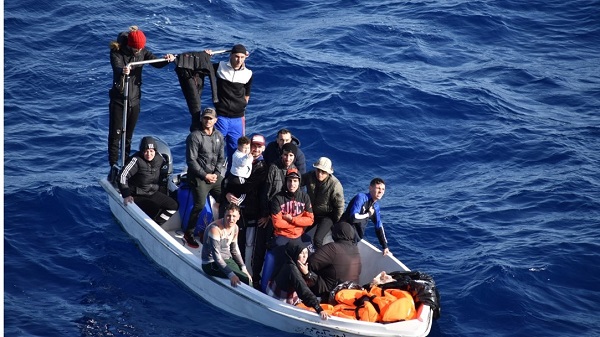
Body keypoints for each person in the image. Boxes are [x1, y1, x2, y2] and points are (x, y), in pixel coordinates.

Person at [108, 26, 175, 168]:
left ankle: (125, 164)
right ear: (130, 45)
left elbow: (155, 62)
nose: (139, 51)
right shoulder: (117, 52)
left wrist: (166, 59)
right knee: (116, 135)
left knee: (128, 136)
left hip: (135, 99)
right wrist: (123, 70)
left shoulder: (142, 51)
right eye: (136, 49)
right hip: (119, 99)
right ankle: (113, 166)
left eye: (140, 49)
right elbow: (117, 66)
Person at [220, 134, 269, 262]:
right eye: (254, 146)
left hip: (251, 210)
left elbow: (249, 186)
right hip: (236, 207)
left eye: (259, 147)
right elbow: (227, 178)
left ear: (263, 148)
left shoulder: (262, 166)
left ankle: (244, 270)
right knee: (233, 237)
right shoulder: (239, 158)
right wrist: (226, 193)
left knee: (247, 243)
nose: (256, 149)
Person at [205, 45, 253, 168]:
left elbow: (247, 93)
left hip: (238, 119)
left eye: (242, 57)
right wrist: (206, 57)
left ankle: (230, 180)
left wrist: (241, 105)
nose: (239, 60)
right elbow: (203, 68)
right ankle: (211, 176)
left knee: (236, 151)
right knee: (214, 149)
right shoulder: (220, 67)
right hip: (221, 117)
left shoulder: (248, 73)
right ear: (231, 55)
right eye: (236, 56)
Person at [183, 108, 225, 248]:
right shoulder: (194, 137)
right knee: (199, 205)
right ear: (202, 119)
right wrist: (205, 175)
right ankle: (188, 234)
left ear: (215, 120)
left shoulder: (219, 136)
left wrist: (216, 174)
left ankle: (215, 230)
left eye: (211, 118)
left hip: (214, 176)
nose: (208, 121)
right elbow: (191, 161)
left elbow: (221, 158)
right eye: (205, 118)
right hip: (198, 177)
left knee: (225, 200)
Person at [118, 136, 178, 225]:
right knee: (153, 208)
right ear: (142, 151)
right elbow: (122, 176)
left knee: (173, 206)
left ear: (155, 151)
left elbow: (164, 173)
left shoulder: (159, 159)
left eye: (151, 151)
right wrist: (126, 195)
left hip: (152, 192)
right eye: (146, 151)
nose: (149, 154)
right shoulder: (136, 160)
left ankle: (157, 224)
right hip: (136, 194)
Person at [266, 240, 329, 320]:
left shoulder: (292, 258)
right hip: (280, 298)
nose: (304, 256)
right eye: (301, 253)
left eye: (306, 253)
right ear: (295, 253)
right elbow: (303, 289)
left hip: (276, 288)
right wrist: (318, 308)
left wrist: (306, 273)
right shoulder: (291, 268)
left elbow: (315, 281)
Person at [307, 221, 361, 301]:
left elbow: (310, 263)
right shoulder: (355, 250)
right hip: (350, 292)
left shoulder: (332, 248)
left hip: (330, 292)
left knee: (301, 268)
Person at [201, 204, 252, 287]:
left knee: (247, 278)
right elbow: (216, 257)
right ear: (224, 215)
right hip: (211, 263)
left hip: (227, 259)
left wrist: (243, 268)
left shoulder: (235, 228)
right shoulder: (215, 229)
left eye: (234, 216)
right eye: (228, 216)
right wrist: (231, 275)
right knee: (244, 280)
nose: (231, 219)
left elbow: (234, 249)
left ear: (238, 217)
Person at [302, 157, 345, 248]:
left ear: (328, 173)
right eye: (318, 170)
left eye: (323, 172)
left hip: (327, 216)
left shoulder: (335, 185)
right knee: (298, 231)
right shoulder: (310, 176)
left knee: (317, 239)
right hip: (311, 212)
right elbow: (297, 182)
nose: (320, 174)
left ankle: (319, 260)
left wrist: (336, 224)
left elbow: (340, 207)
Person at [341, 177, 390, 255]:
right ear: (370, 188)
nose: (381, 191)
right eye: (378, 188)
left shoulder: (375, 206)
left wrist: (385, 246)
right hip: (343, 233)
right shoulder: (361, 197)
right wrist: (368, 214)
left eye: (383, 189)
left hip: (354, 238)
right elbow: (353, 217)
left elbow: (378, 226)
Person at [270, 168, 314, 248]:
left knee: (311, 251)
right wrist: (298, 224)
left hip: (299, 234)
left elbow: (310, 220)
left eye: (295, 181)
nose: (292, 184)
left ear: (299, 182)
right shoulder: (277, 198)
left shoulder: (305, 197)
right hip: (282, 235)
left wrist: (292, 220)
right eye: (289, 180)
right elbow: (277, 223)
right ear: (285, 182)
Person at [225, 135, 253, 204]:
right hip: (238, 177)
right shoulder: (237, 155)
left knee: (236, 192)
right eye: (244, 148)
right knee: (244, 193)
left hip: (236, 177)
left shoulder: (245, 154)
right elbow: (242, 163)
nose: (246, 150)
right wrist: (247, 157)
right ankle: (237, 204)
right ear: (238, 147)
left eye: (248, 148)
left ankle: (234, 203)